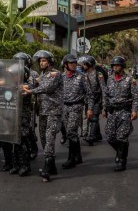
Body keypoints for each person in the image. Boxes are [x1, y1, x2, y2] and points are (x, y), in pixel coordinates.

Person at [22, 50, 62, 182]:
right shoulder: (42, 74)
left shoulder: (54, 74)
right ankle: (52, 166)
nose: (41, 62)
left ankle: (46, 169)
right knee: (44, 139)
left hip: (53, 111)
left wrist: (31, 91)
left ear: (50, 61)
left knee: (50, 139)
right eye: (40, 61)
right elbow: (33, 83)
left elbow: (47, 88)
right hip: (43, 111)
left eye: (44, 60)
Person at [104, 56, 138, 172]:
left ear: (122, 66)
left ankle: (122, 160)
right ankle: (120, 152)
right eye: (114, 66)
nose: (115, 67)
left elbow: (136, 98)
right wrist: (104, 109)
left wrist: (134, 110)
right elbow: (106, 95)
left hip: (125, 111)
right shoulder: (109, 79)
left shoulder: (130, 80)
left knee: (122, 137)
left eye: (118, 65)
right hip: (112, 112)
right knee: (110, 137)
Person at [60, 54, 91, 169]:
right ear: (65, 65)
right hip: (64, 108)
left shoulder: (81, 77)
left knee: (70, 132)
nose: (73, 65)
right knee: (71, 133)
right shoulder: (61, 77)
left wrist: (90, 108)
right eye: (71, 63)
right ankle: (78, 156)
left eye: (74, 63)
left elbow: (89, 94)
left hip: (76, 107)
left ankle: (71, 159)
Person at [79, 56, 106, 146]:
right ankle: (98, 135)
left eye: (84, 64)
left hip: (97, 100)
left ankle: (91, 137)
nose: (83, 66)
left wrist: (104, 103)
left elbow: (103, 88)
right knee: (90, 118)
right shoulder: (84, 75)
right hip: (87, 100)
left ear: (89, 64)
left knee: (94, 118)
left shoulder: (98, 74)